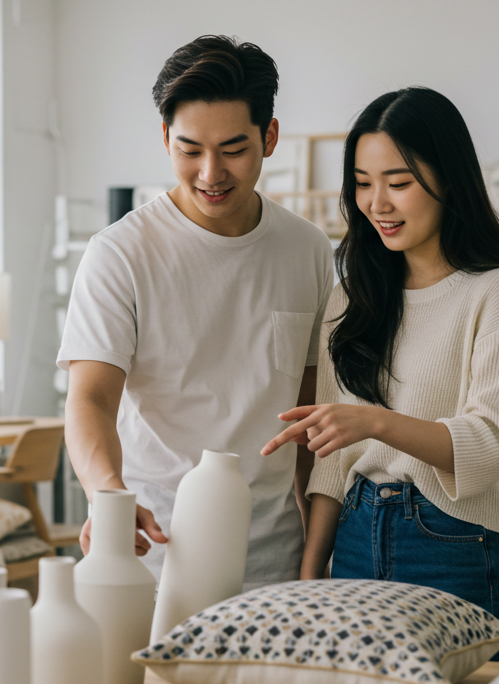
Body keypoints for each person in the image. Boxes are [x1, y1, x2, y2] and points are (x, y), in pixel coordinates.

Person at [262, 87, 499, 661]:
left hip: (452, 546)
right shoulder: (351, 301)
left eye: (399, 182)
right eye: (363, 184)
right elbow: (332, 463)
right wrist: (311, 578)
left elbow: (489, 447)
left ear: (448, 177)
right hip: (355, 541)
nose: (377, 203)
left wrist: (374, 422)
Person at [58, 35, 334, 587]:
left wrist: (314, 562)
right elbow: (89, 398)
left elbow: (310, 419)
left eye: (233, 149)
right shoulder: (120, 253)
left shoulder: (307, 249)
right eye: (190, 150)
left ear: (269, 137)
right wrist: (106, 492)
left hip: (274, 566)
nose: (211, 173)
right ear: (165, 139)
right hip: (153, 558)